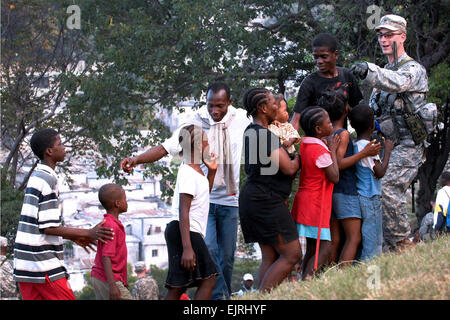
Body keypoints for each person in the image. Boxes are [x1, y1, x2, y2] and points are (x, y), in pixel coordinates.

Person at [121, 82, 251, 300]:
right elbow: (164, 148)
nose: (214, 111)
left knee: (226, 259)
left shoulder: (241, 119)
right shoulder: (195, 125)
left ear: (229, 103)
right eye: (210, 105)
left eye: (220, 106)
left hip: (228, 199)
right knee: (209, 253)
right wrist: (136, 159)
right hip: (200, 206)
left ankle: (223, 297)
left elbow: (262, 125)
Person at [350, 14, 429, 251]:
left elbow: (397, 82)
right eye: (381, 36)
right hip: (385, 144)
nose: (384, 40)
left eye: (390, 35)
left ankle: (404, 244)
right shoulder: (384, 72)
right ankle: (386, 246)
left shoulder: (413, 70)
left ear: (402, 37)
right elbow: (373, 108)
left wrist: (370, 71)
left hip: (408, 145)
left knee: (388, 187)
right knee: (368, 190)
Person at [13, 128, 114, 300]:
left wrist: (74, 236)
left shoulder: (37, 175)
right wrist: (87, 233)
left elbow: (41, 225)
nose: (64, 148)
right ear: (49, 151)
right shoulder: (48, 179)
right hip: (42, 262)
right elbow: (48, 227)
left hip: (24, 262)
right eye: (60, 144)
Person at [239, 88, 302, 292]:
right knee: (292, 254)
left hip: (254, 199)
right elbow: (290, 167)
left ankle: (260, 297)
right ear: (263, 108)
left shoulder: (252, 131)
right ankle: (263, 299)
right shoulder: (264, 136)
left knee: (271, 255)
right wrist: (302, 154)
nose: (277, 105)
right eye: (273, 102)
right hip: (266, 201)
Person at [319, 89, 381, 266]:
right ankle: (343, 273)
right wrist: (364, 153)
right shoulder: (343, 134)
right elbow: (337, 164)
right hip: (346, 191)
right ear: (346, 109)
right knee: (354, 237)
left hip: (332, 192)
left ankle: (330, 275)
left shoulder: (326, 134)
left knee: (336, 239)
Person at [164, 125, 219, 300]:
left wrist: (212, 171)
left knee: (178, 286)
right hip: (185, 231)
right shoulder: (187, 171)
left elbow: (203, 198)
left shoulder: (197, 171)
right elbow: (183, 210)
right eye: (205, 142)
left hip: (187, 231)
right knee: (209, 279)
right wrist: (187, 247)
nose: (208, 146)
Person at [291, 106, 340, 280]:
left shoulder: (306, 143)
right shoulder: (320, 150)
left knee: (313, 247)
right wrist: (333, 150)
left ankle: (305, 279)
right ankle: (308, 279)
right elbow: (334, 176)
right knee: (326, 247)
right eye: (328, 122)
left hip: (306, 200)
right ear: (319, 130)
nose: (331, 124)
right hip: (315, 203)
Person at [290, 33, 363, 131]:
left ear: (335, 55)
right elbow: (296, 119)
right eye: (316, 57)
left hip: (342, 139)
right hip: (319, 143)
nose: (319, 61)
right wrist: (286, 142)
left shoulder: (347, 76)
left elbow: (357, 111)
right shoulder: (309, 83)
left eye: (324, 56)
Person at [349, 105, 394, 261]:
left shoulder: (355, 145)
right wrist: (387, 151)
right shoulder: (368, 148)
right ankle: (371, 277)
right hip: (371, 197)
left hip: (360, 197)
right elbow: (379, 172)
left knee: (364, 239)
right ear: (372, 124)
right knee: (373, 242)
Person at [91, 183, 131, 300]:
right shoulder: (111, 225)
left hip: (102, 277)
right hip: (108, 279)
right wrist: (113, 285)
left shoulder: (110, 222)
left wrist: (124, 281)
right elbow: (106, 256)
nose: (126, 202)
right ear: (117, 203)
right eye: (125, 199)